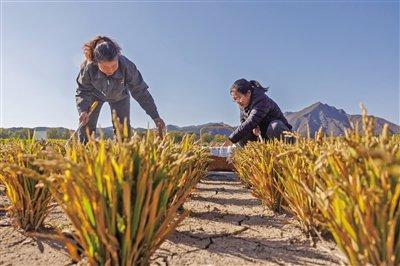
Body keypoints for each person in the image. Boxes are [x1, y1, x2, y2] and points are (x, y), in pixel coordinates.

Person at [75, 35, 165, 143]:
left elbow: (140, 91)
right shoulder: (88, 67)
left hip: (120, 97)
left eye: (113, 65)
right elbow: (83, 90)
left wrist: (155, 116)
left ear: (118, 57)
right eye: (105, 67)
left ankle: (123, 153)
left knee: (123, 131)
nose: (110, 70)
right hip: (94, 95)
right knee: (86, 126)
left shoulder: (127, 67)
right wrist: (83, 110)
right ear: (96, 62)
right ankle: (84, 152)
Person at [225, 78, 292, 147]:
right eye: (235, 99)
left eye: (239, 97)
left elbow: (251, 121)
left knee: (274, 126)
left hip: (278, 133)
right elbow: (244, 123)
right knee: (242, 135)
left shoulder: (262, 100)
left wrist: (230, 140)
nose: (238, 101)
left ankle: (290, 152)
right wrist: (254, 128)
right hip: (263, 136)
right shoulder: (243, 105)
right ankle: (254, 157)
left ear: (248, 93)